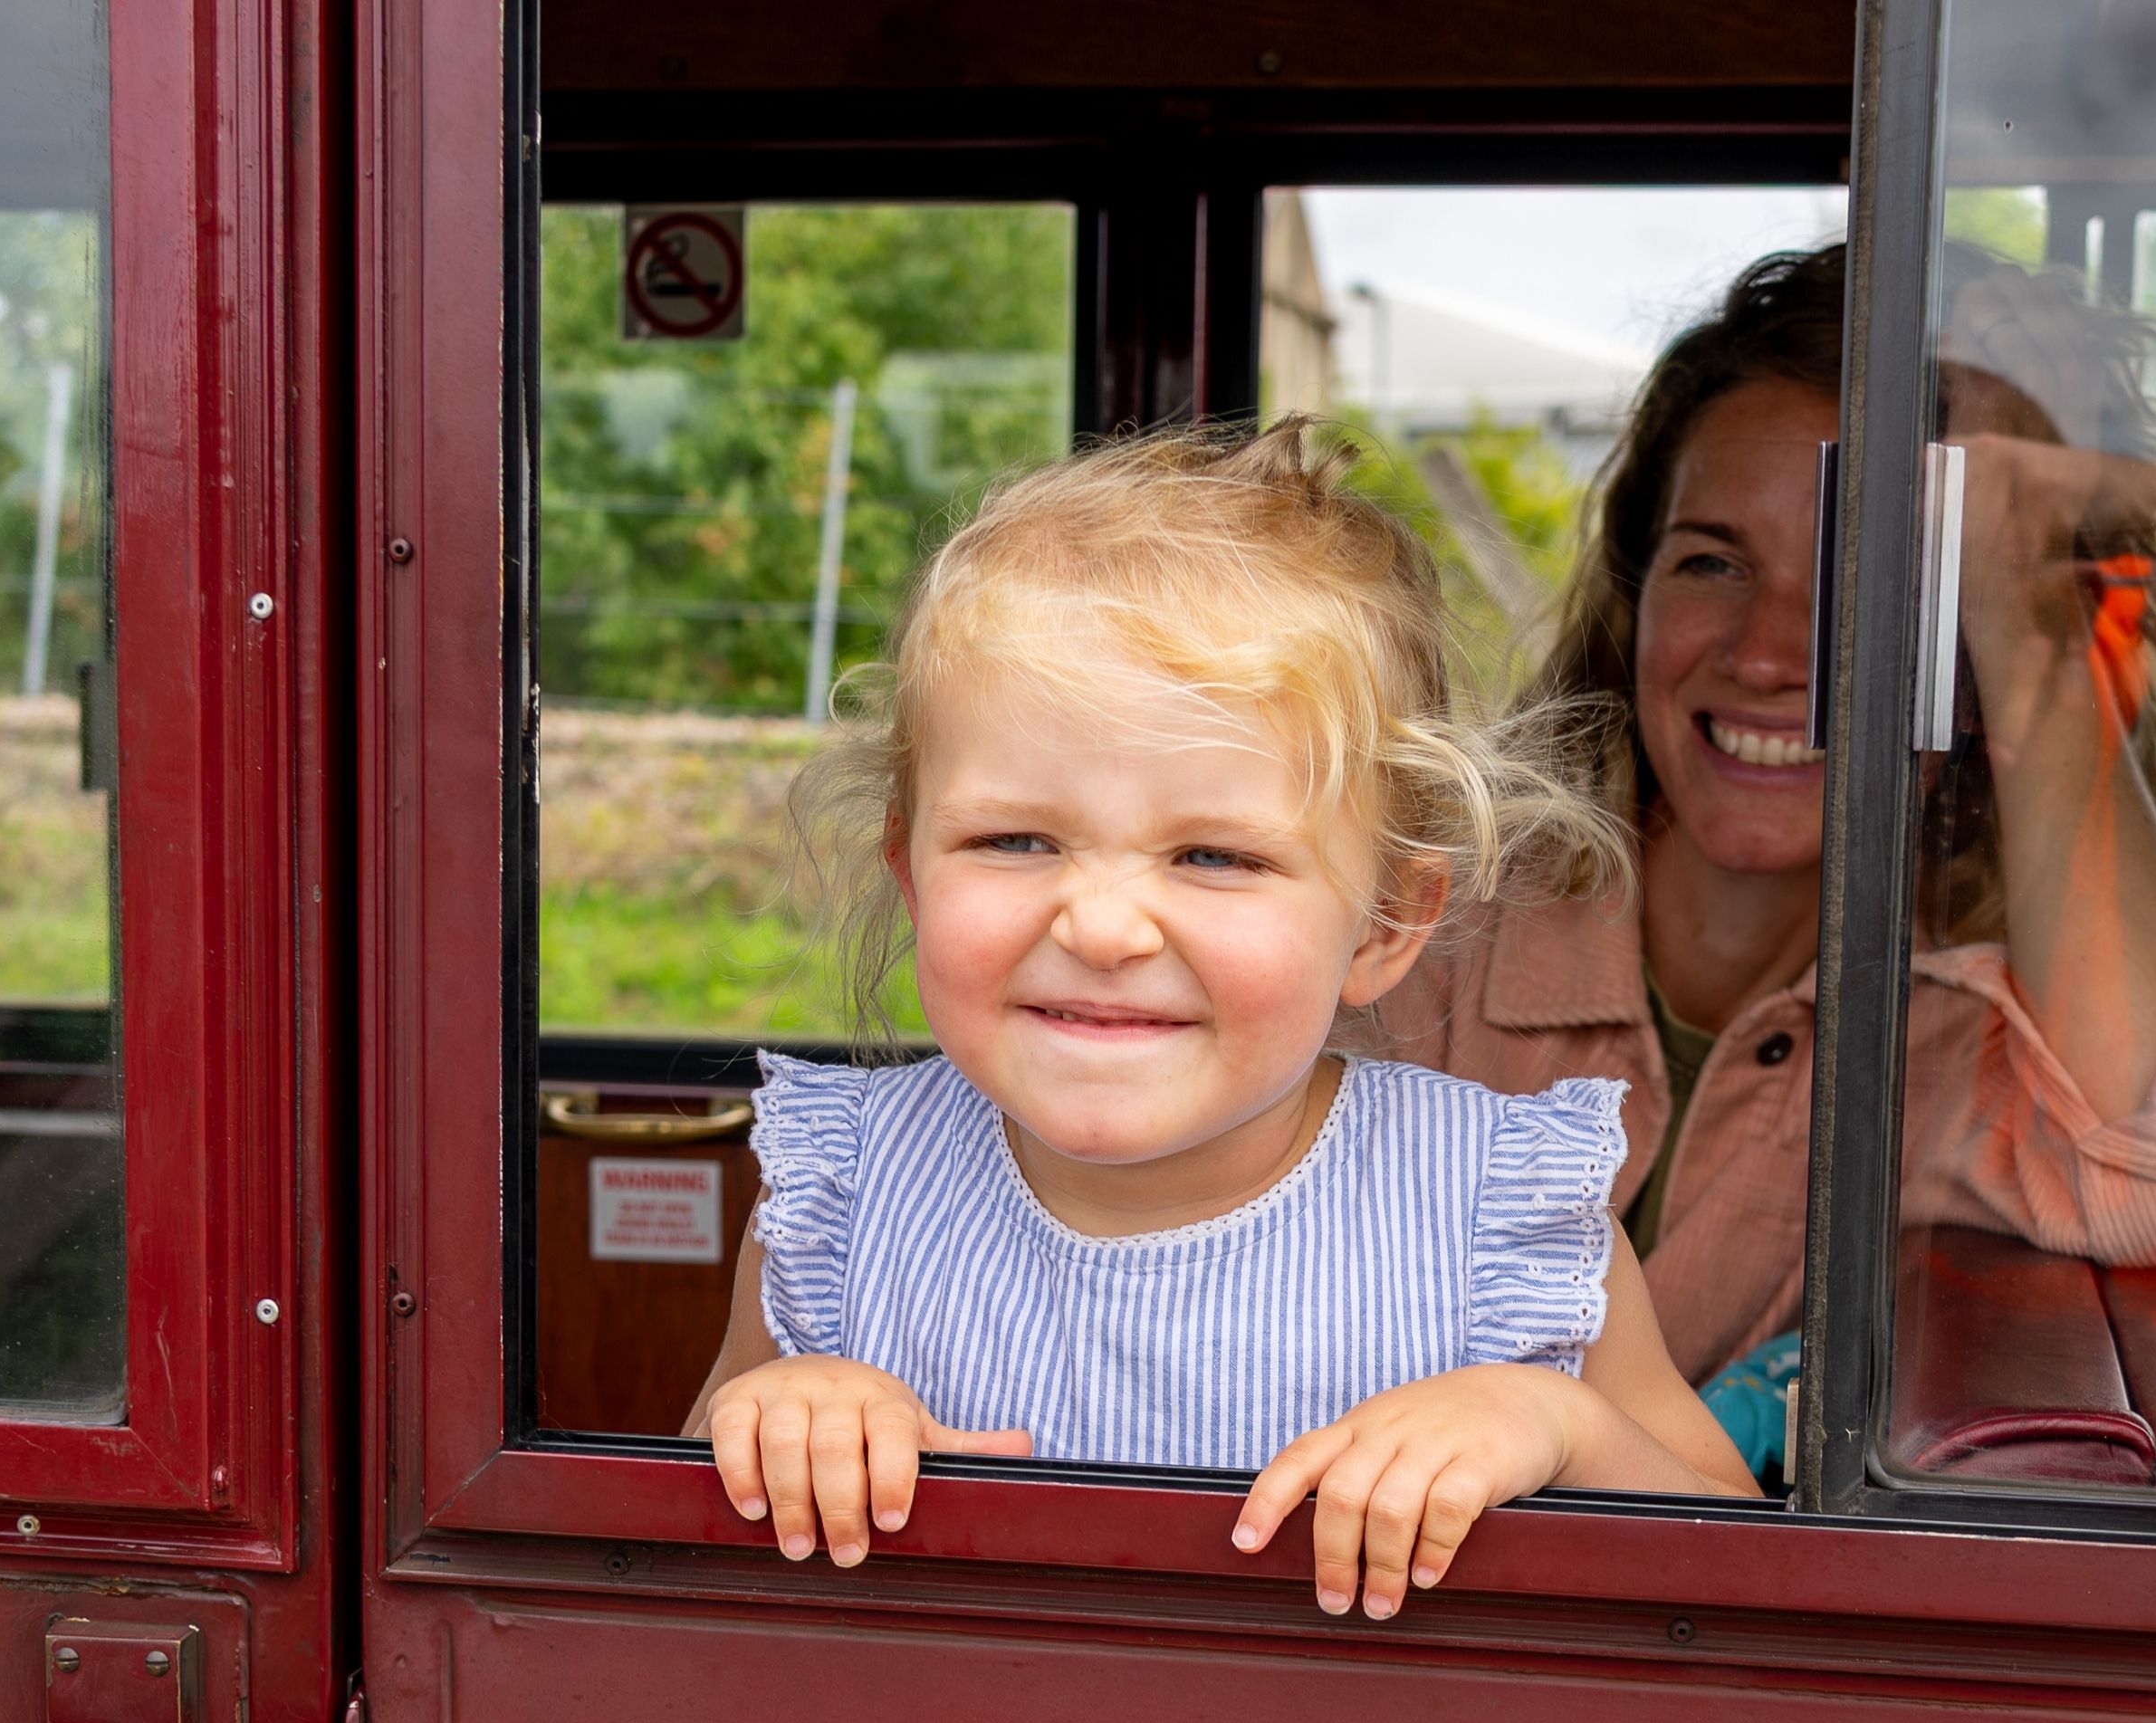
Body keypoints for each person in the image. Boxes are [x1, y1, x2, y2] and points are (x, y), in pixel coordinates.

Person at [686, 421, 1758, 1621]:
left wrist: (1561, 1426)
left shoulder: (1502, 1219)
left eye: (1213, 856)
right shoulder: (843, 1199)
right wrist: (778, 1417)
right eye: (1015, 841)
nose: (1101, 925)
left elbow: (1739, 1568)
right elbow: (673, 1527)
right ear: (910, 869)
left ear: (1387, 923)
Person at [1381, 244, 2156, 1459]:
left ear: (1975, 652)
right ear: (1636, 601)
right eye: (1713, 563)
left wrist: (2029, 618)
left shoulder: (1977, 1033)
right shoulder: (1411, 931)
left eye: (1871, 579)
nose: (1770, 653)